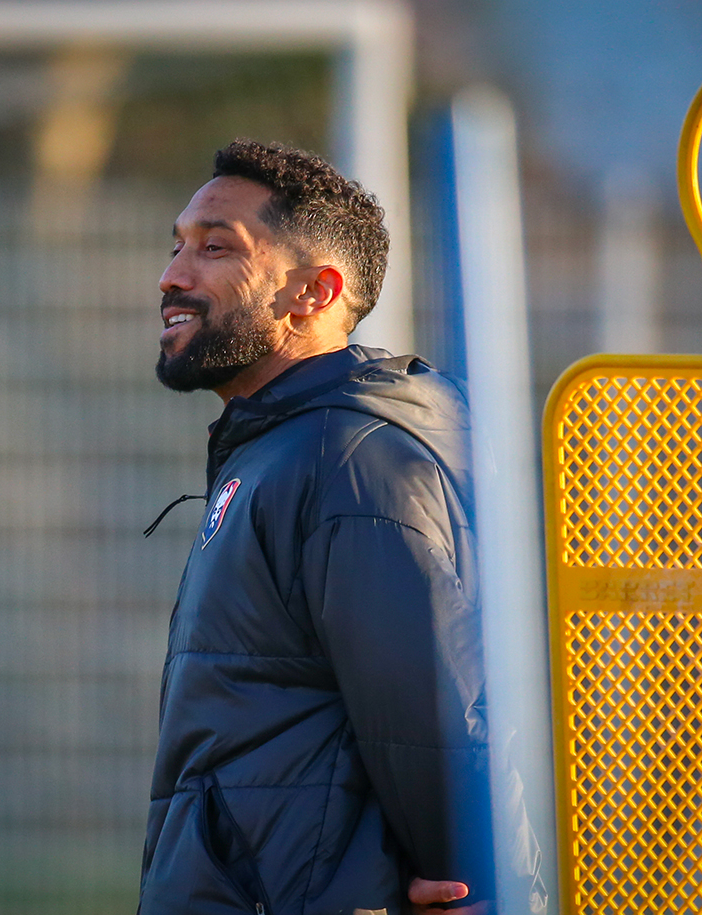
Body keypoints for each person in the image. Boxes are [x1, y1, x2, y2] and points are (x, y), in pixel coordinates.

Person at [141, 139, 494, 915]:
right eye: (177, 245)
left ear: (313, 292)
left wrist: (476, 881)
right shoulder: (275, 448)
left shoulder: (346, 458)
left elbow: (434, 711)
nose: (172, 273)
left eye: (214, 247)